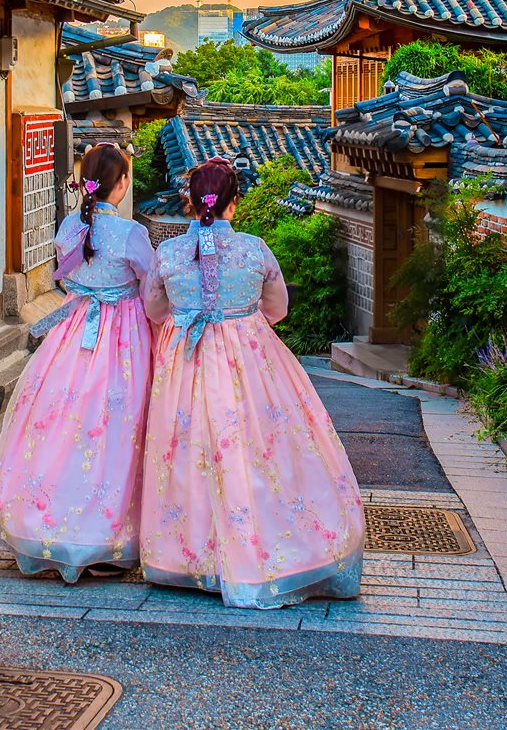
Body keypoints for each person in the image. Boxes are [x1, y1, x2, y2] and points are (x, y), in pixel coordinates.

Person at [139, 156, 364, 609]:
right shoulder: (254, 249)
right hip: (249, 358)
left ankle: (188, 557)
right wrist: (240, 319)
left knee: (189, 448)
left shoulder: (168, 254)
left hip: (186, 359)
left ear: (189, 199)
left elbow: (153, 310)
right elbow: (278, 308)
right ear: (233, 201)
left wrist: (187, 318)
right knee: (258, 447)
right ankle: (265, 549)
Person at [0, 142, 157, 581]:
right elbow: (151, 288)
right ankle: (105, 537)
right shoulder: (131, 234)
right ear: (121, 184)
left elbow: (70, 277)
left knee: (62, 424)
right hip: (120, 338)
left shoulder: (68, 229)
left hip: (73, 333)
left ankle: (46, 520)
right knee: (115, 427)